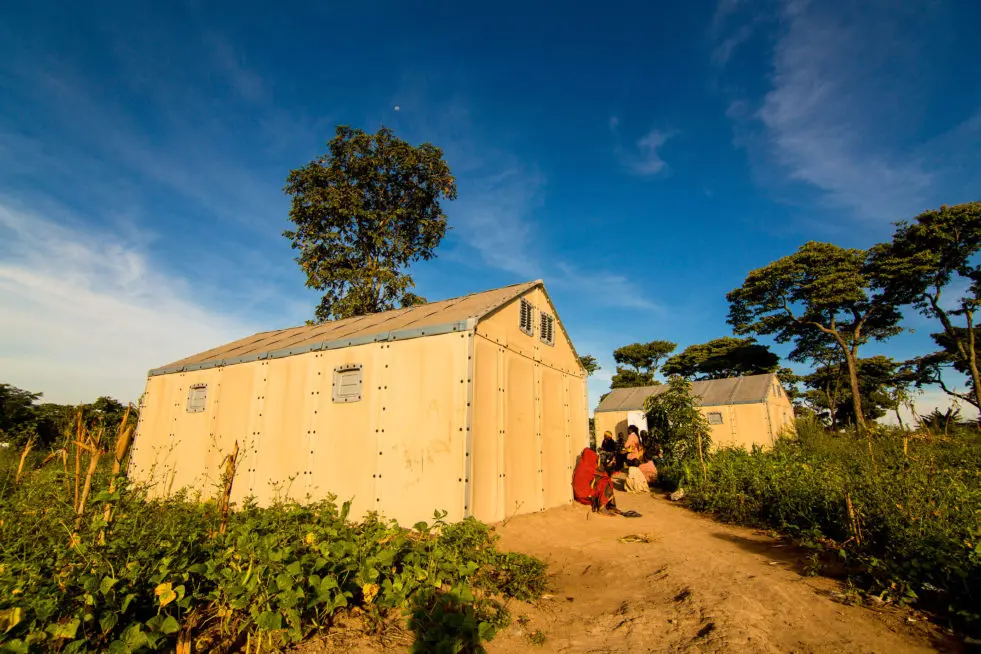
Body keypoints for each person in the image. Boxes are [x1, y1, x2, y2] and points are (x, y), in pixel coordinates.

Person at [572, 447, 619, 513]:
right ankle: (602, 508)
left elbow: (598, 473)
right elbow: (600, 474)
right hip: (586, 496)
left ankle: (609, 506)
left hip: (580, 495)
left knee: (605, 481)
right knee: (605, 483)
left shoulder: (583, 465)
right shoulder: (587, 468)